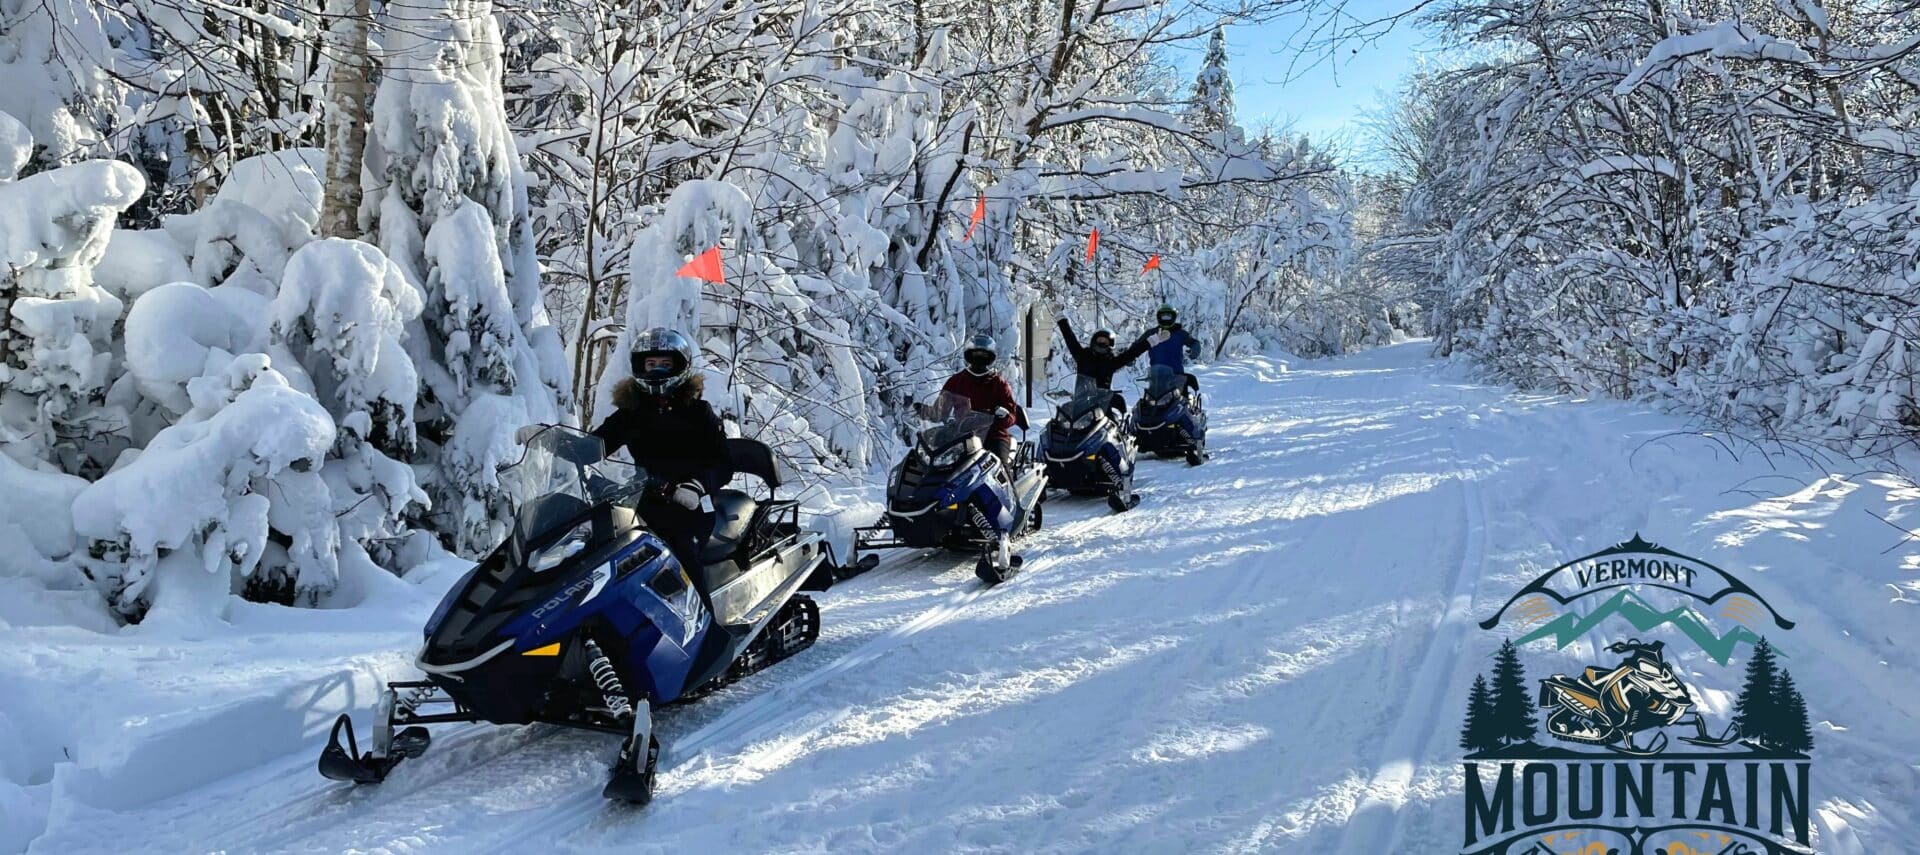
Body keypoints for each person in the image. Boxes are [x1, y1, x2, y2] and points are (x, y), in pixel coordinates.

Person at [591, 327, 731, 576]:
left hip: (691, 504)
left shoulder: (698, 412)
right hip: (642, 502)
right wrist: (554, 442)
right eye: (651, 363)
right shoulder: (632, 412)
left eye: (665, 364)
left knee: (681, 557)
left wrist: (696, 486)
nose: (656, 369)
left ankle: (704, 614)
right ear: (640, 366)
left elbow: (722, 463)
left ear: (678, 366)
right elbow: (596, 445)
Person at [939, 333, 1028, 470]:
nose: (979, 358)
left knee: (999, 471)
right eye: (975, 353)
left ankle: (1009, 490)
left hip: (994, 436)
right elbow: (941, 409)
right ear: (969, 355)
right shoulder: (956, 381)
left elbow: (1012, 415)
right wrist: (924, 411)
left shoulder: (999, 383)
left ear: (990, 357)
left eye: (984, 354)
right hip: (963, 437)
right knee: (944, 469)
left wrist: (1004, 415)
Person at [1055, 317, 1147, 412]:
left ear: (1110, 344)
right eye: (1100, 340)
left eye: (1105, 342)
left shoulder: (1112, 361)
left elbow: (1132, 353)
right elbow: (1070, 339)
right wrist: (1062, 320)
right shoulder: (1083, 356)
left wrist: (1150, 341)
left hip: (1102, 407)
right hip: (1081, 403)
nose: (1102, 343)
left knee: (1113, 422)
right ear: (1094, 341)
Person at [1130, 304, 1203, 395]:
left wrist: (1195, 349)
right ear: (1159, 317)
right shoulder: (1151, 334)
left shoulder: (1180, 334)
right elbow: (1137, 345)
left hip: (1177, 376)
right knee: (1148, 403)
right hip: (1156, 377)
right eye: (1163, 316)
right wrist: (1130, 357)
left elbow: (1194, 342)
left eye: (1168, 316)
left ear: (1173, 317)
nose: (1165, 319)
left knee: (1182, 401)